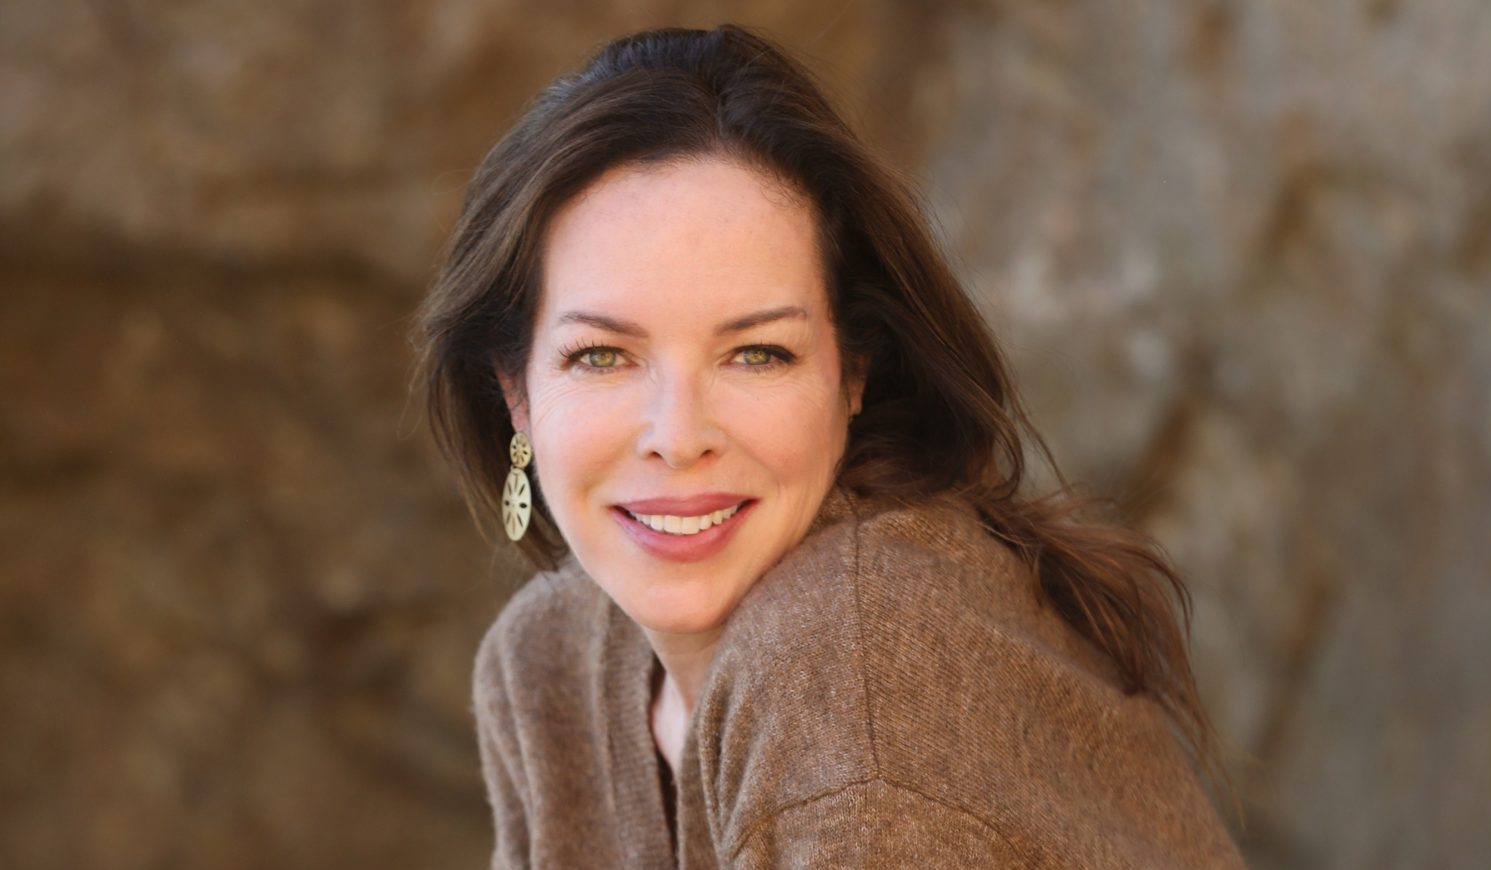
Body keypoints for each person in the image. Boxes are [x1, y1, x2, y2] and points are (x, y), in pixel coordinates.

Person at [414, 24, 1245, 869]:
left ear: (853, 373)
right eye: (601, 356)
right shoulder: (545, 667)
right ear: (515, 392)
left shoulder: (857, 680)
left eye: (757, 354)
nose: (679, 436)